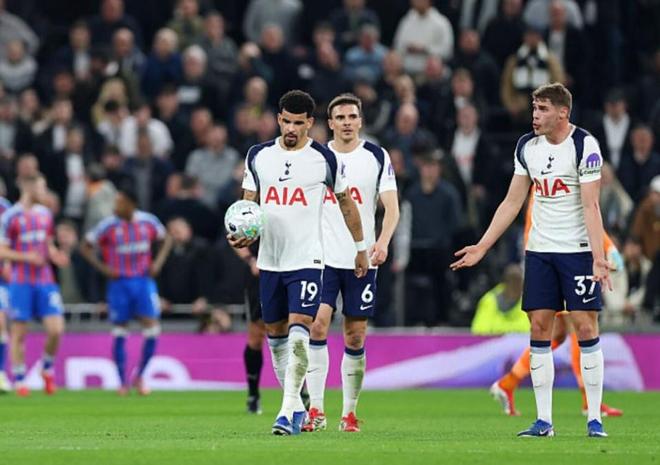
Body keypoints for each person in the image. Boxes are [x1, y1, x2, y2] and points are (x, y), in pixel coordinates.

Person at [451, 83, 611, 438]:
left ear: (562, 112)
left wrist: (598, 257)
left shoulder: (584, 145)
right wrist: (483, 246)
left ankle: (594, 419)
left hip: (577, 251)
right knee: (539, 328)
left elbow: (591, 205)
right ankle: (544, 421)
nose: (534, 116)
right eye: (534, 108)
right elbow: (512, 202)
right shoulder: (527, 147)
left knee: (586, 327)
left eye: (542, 109)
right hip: (539, 251)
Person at [228, 90, 369, 436]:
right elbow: (249, 205)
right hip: (270, 260)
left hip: (307, 259)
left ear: (310, 123)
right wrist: (242, 233)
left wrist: (360, 248)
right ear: (279, 119)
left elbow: (347, 203)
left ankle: (285, 410)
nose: (291, 128)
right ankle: (296, 407)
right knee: (275, 338)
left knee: (299, 329)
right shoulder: (258, 156)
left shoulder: (323, 158)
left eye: (298, 123)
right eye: (286, 121)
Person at [303, 93, 399, 433]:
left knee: (355, 336)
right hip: (322, 257)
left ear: (360, 121)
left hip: (362, 257)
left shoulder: (376, 156)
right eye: (340, 117)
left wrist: (382, 242)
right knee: (317, 325)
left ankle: (349, 413)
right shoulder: (316, 157)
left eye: (352, 117)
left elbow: (391, 207)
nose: (346, 122)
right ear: (330, 123)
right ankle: (315, 410)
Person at [490, 191, 623, 417]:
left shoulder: (547, 184)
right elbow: (578, 214)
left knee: (559, 334)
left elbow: (580, 213)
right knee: (578, 327)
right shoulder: (549, 186)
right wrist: (608, 246)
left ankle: (507, 384)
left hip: (550, 256)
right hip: (555, 258)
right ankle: (588, 402)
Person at [80, 186, 173, 395]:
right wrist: (103, 268)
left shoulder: (148, 222)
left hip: (143, 282)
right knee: (120, 328)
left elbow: (166, 239)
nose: (116, 206)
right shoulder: (108, 226)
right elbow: (85, 246)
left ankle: (140, 376)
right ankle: (122, 382)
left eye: (120, 202)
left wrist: (158, 263)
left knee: (152, 327)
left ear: (131, 204)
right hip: (119, 284)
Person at [0, 173, 69, 397]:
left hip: (45, 280)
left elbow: (47, 244)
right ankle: (20, 379)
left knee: (56, 329)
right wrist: (26, 257)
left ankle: (46, 367)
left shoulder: (45, 214)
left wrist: (56, 255)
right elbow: (2, 250)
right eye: (41, 188)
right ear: (28, 188)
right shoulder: (10, 217)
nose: (44, 193)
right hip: (20, 281)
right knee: (19, 332)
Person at [0, 193, 11, 392]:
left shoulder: (5, 209)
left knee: (0, 323)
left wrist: (8, 263)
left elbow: (11, 239)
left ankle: (0, 373)